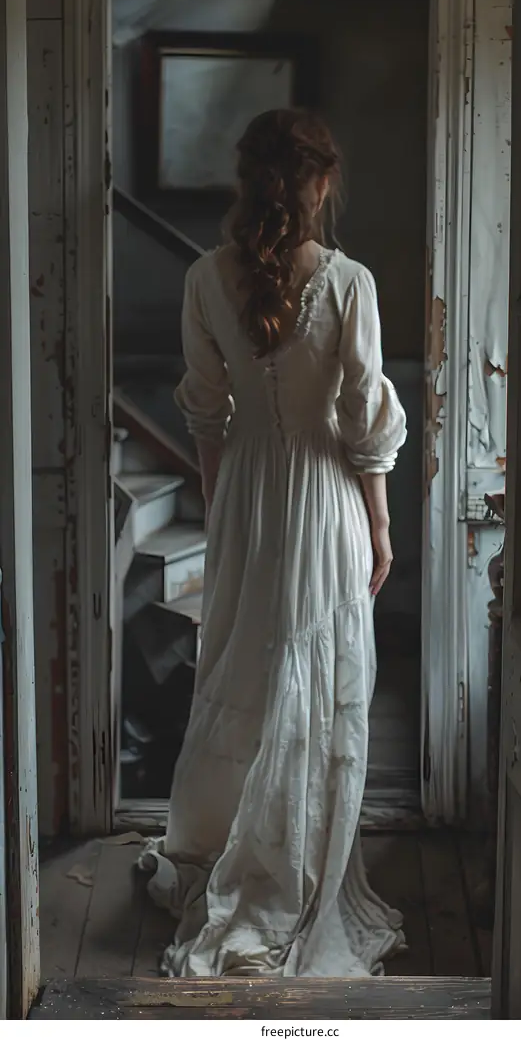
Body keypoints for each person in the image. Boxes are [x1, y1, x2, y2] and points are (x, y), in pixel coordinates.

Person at [139, 108, 408, 978]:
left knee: (246, 667)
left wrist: (222, 508)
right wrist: (380, 519)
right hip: (326, 500)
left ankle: (225, 845)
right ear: (322, 183)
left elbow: (205, 412)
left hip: (248, 496)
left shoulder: (204, 277)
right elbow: (366, 419)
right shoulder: (350, 283)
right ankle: (287, 869)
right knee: (315, 676)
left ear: (248, 182)